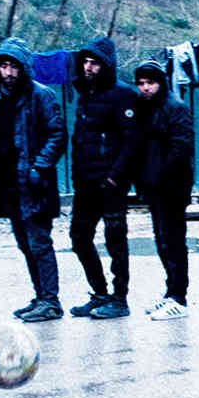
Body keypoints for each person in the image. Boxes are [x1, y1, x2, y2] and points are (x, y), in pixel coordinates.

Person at [0, 38, 66, 322]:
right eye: (3, 66)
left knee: (40, 242)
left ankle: (51, 301)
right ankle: (40, 295)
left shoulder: (42, 95)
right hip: (9, 186)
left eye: (13, 66)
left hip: (34, 184)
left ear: (23, 68)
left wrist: (39, 167)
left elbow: (57, 134)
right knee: (25, 243)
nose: (8, 72)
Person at [67, 36, 137, 320]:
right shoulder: (85, 94)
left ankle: (120, 298)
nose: (88, 67)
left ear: (106, 65)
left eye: (94, 62)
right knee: (79, 237)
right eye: (85, 61)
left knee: (115, 239)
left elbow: (132, 141)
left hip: (111, 183)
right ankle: (99, 293)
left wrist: (115, 176)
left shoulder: (123, 94)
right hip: (85, 182)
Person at [132, 58, 195, 320]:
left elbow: (180, 149)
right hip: (154, 187)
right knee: (161, 240)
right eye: (142, 83)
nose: (145, 88)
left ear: (161, 83)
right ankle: (170, 292)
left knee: (174, 241)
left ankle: (179, 297)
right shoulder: (144, 108)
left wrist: (162, 178)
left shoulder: (175, 108)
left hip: (172, 186)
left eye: (150, 83)